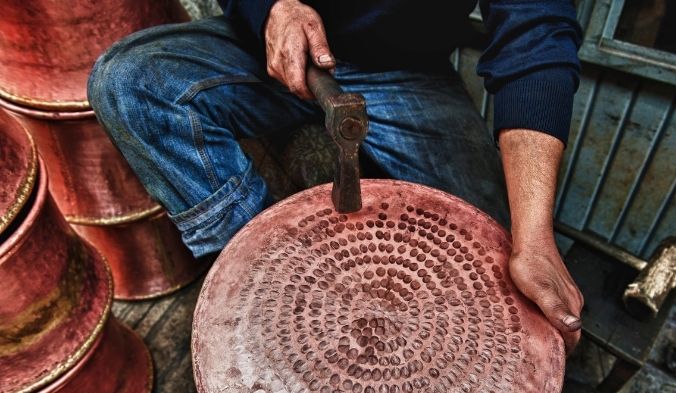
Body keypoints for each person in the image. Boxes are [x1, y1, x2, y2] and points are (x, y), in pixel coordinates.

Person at [88, 0, 584, 350]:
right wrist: (272, 8)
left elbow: (535, 33)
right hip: (279, 50)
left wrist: (535, 237)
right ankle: (265, 291)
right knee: (130, 82)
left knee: (497, 261)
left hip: (406, 69)